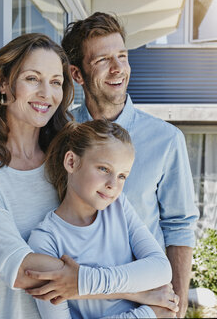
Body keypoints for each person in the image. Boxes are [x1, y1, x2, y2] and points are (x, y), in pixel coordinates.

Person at [0, 33, 179, 319]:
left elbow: (118, 249)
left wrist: (112, 285)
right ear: (3, 85)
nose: (47, 93)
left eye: (56, 82)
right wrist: (136, 291)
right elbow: (22, 269)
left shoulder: (70, 161)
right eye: (33, 78)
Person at [62, 12, 200, 317]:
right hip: (73, 307)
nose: (118, 69)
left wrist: (175, 309)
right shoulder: (61, 136)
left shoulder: (166, 139)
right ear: (77, 74)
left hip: (144, 309)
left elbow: (179, 227)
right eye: (102, 60)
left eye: (122, 56)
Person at [28, 120, 176, 318]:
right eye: (104, 169)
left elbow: (161, 268)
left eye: (122, 176)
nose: (113, 185)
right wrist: (149, 312)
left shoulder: (118, 207)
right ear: (71, 162)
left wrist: (83, 282)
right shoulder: (45, 240)